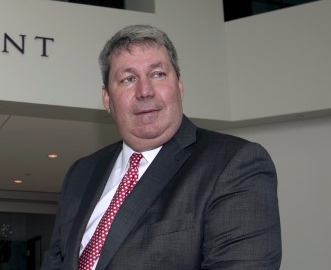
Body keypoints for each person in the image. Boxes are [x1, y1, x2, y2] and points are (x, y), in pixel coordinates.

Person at [40, 24, 281, 270]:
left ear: (179, 86)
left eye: (158, 74)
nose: (145, 91)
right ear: (107, 99)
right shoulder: (81, 173)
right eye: (128, 79)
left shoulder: (235, 164)